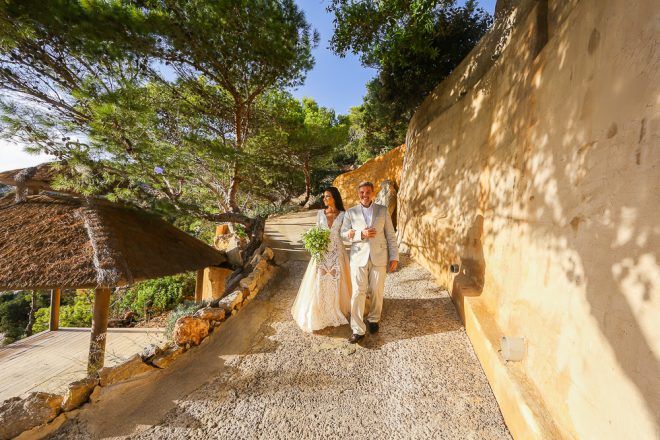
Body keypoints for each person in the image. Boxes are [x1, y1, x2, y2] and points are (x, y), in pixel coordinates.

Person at [341, 181, 399, 343]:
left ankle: (374, 319)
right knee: (357, 292)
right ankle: (357, 329)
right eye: (362, 192)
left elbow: (390, 235)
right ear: (358, 194)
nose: (365, 195)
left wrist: (394, 256)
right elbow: (343, 234)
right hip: (358, 257)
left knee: (376, 290)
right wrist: (361, 234)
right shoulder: (350, 212)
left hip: (379, 256)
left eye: (368, 192)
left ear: (373, 193)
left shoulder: (383, 210)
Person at [291, 187, 351, 332]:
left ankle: (337, 308)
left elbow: (344, 234)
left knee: (337, 280)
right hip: (322, 253)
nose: (324, 199)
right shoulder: (320, 214)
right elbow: (316, 231)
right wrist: (314, 242)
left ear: (334, 198)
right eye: (323, 196)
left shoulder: (344, 215)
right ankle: (319, 311)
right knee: (319, 280)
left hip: (337, 253)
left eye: (327, 196)